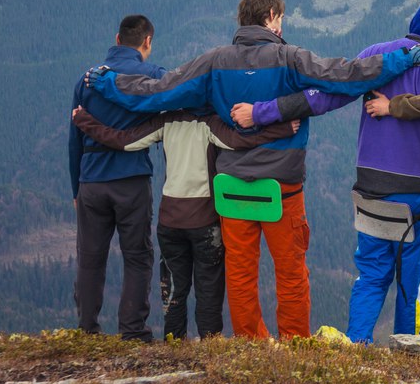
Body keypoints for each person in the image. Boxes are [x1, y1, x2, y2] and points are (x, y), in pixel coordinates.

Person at [84, 0, 420, 339]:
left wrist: (109, 84)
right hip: (281, 187)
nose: (282, 26)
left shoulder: (213, 62)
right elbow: (347, 75)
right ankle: (295, 345)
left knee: (240, 272)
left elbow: (156, 93)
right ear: (270, 17)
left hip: (231, 187)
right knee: (291, 272)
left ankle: (251, 345)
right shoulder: (290, 58)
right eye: (281, 18)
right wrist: (406, 59)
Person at [237, 0, 420, 343]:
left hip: (370, 190)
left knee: (369, 277)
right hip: (419, 194)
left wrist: (262, 112)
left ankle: (356, 347)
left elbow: (326, 97)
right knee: (413, 284)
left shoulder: (374, 54)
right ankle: (410, 353)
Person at [71, 105, 299, 339]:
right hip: (205, 222)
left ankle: (174, 346)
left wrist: (84, 120)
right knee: (208, 292)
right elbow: (241, 140)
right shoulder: (211, 122)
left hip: (170, 222)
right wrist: (281, 130)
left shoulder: (166, 121)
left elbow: (122, 140)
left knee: (173, 295)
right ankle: (210, 347)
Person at [69, 14, 165, 341]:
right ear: (147, 41)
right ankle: (133, 331)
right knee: (137, 257)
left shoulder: (87, 80)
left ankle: (87, 330)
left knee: (90, 257)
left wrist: (75, 189)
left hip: (91, 180)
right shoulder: (153, 75)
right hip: (132, 178)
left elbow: (74, 141)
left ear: (117, 38)